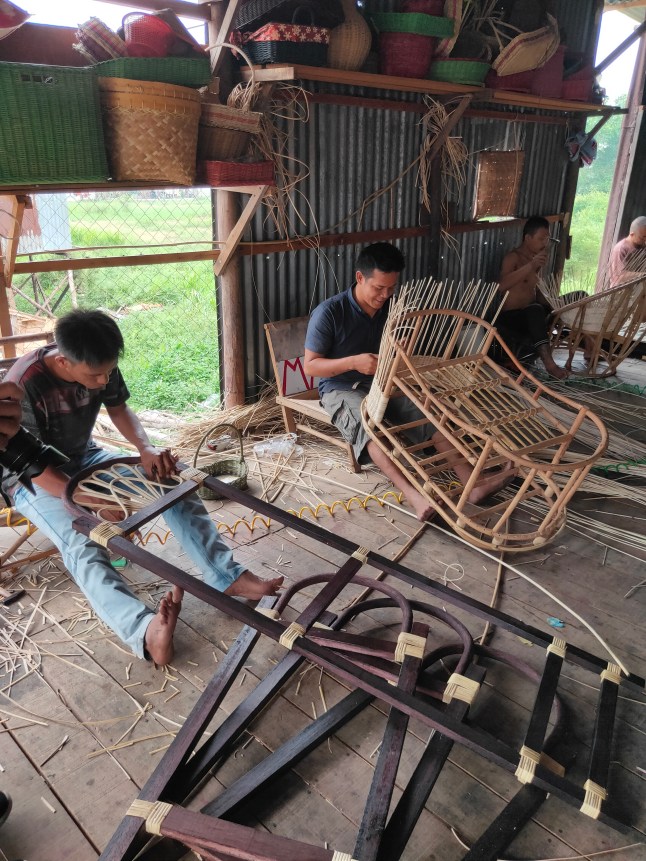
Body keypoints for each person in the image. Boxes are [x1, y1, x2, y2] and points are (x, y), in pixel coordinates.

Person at [2, 310, 282, 666]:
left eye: (108, 371)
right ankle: (144, 633)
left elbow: (119, 409)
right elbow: (33, 467)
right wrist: (93, 502)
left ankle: (225, 576)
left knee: (171, 480)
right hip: (29, 480)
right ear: (63, 362)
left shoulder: (98, 361)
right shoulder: (24, 385)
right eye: (95, 375)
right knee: (83, 537)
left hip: (83, 456)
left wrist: (145, 449)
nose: (104, 379)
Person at [304, 242, 515, 522]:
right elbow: (311, 366)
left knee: (431, 415)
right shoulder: (330, 313)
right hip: (340, 388)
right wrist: (354, 362)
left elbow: (395, 354)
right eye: (379, 288)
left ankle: (472, 483)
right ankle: (414, 495)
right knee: (369, 427)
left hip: (385, 381)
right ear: (359, 278)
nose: (385, 295)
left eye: (391, 288)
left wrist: (401, 352)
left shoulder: (392, 308)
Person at [498, 215, 568, 380]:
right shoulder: (513, 257)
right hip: (512, 317)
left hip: (532, 314)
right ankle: (550, 364)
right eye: (541, 239)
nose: (544, 243)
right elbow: (501, 286)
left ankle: (589, 347)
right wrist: (531, 266)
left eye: (547, 239)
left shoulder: (536, 260)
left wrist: (554, 305)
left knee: (578, 298)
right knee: (535, 310)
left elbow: (536, 292)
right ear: (528, 238)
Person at [606, 216, 646, 289]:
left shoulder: (643, 246)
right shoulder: (620, 249)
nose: (645, 240)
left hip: (638, 291)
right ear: (632, 234)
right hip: (621, 293)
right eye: (642, 237)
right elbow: (619, 276)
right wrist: (643, 275)